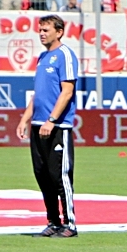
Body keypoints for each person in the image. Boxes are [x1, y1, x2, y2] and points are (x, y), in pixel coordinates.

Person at [15, 15, 79, 239]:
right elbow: (39, 94)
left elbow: (67, 91)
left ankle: (70, 224)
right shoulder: (42, 57)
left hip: (57, 126)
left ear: (59, 32)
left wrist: (51, 121)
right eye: (39, 30)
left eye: (46, 29)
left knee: (59, 175)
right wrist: (25, 119)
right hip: (37, 125)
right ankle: (53, 221)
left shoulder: (65, 56)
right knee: (42, 175)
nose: (41, 33)